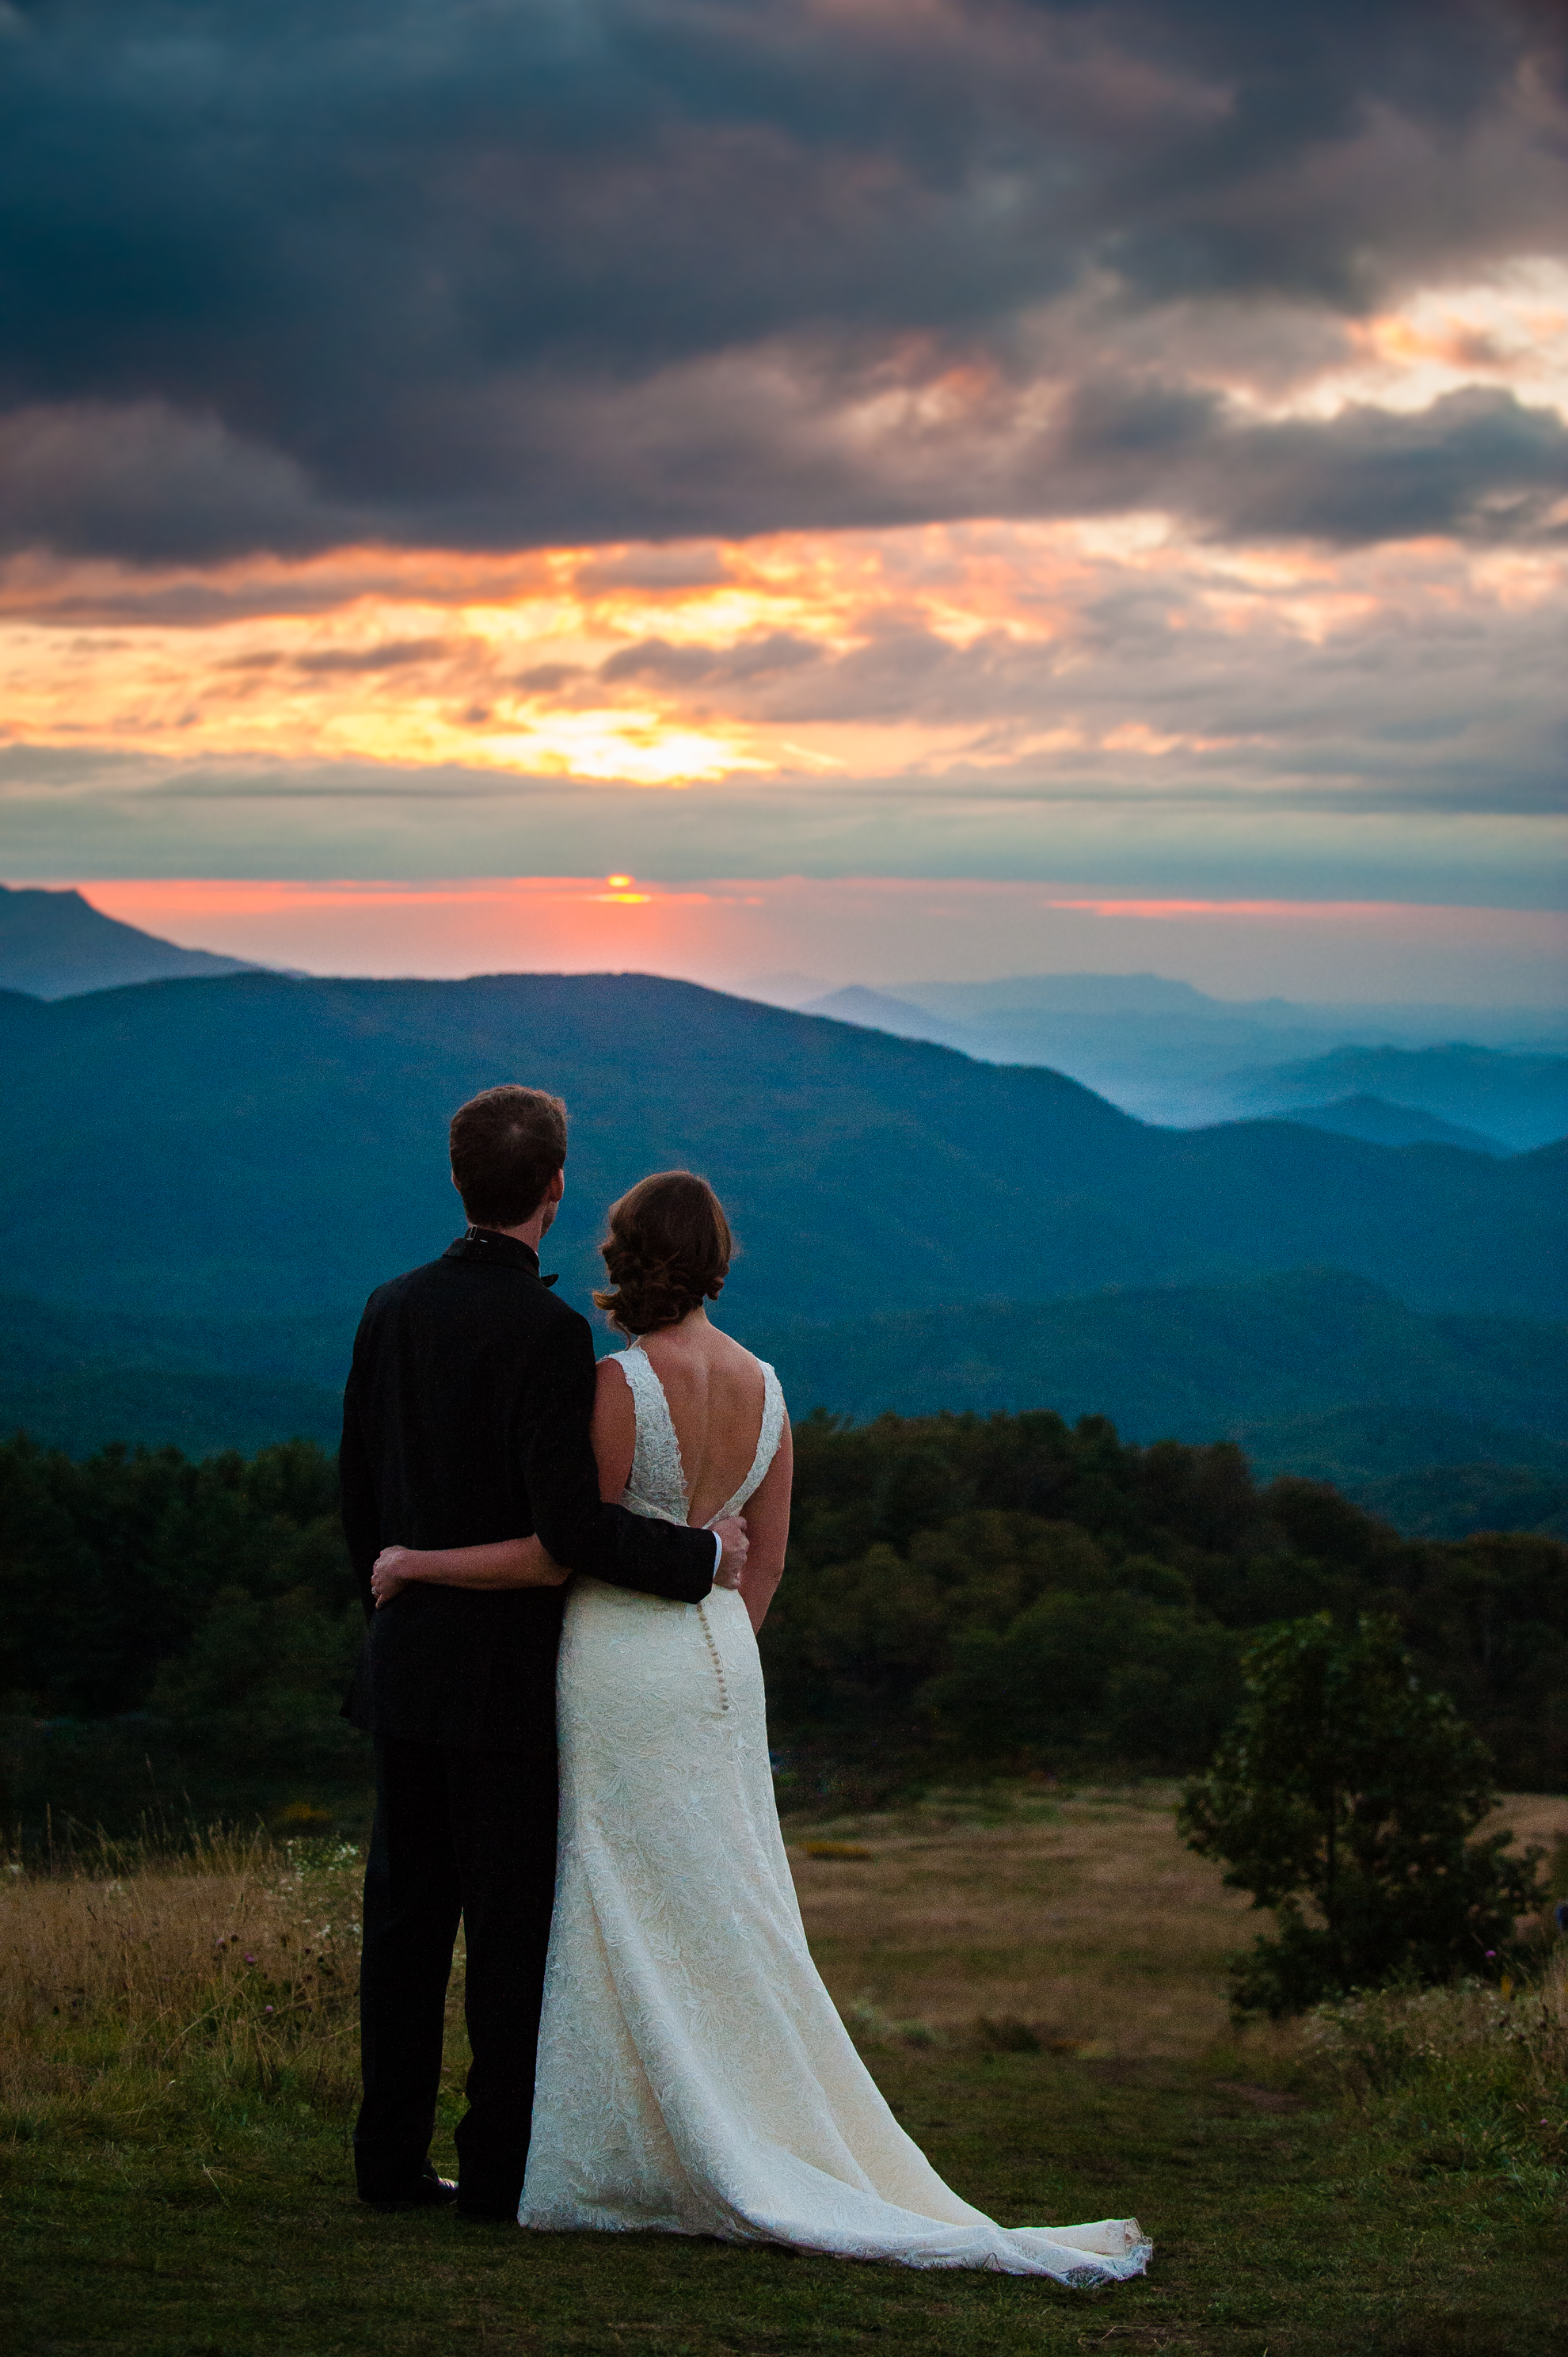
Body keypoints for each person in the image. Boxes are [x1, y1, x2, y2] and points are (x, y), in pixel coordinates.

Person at [371, 1170, 1150, 2284]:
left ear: (629, 1255)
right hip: (720, 1667)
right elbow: (765, 1562)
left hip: (621, 1662)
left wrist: (418, 1564)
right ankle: (729, 2115)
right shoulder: (769, 1388)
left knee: (619, 1896)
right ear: (718, 1258)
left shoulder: (615, 1383)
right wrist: (720, 1664)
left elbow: (566, 1546)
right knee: (720, 1896)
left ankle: (630, 2142)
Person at [340, 1091, 747, 2221]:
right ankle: (499, 2172)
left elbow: (359, 1500)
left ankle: (386, 2163)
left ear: (458, 1180)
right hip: (509, 1682)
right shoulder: (548, 1336)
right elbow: (571, 1531)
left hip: (405, 1665)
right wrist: (700, 1554)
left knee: (404, 1926)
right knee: (512, 1935)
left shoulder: (389, 1307)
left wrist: (393, 1599)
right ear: (556, 1189)